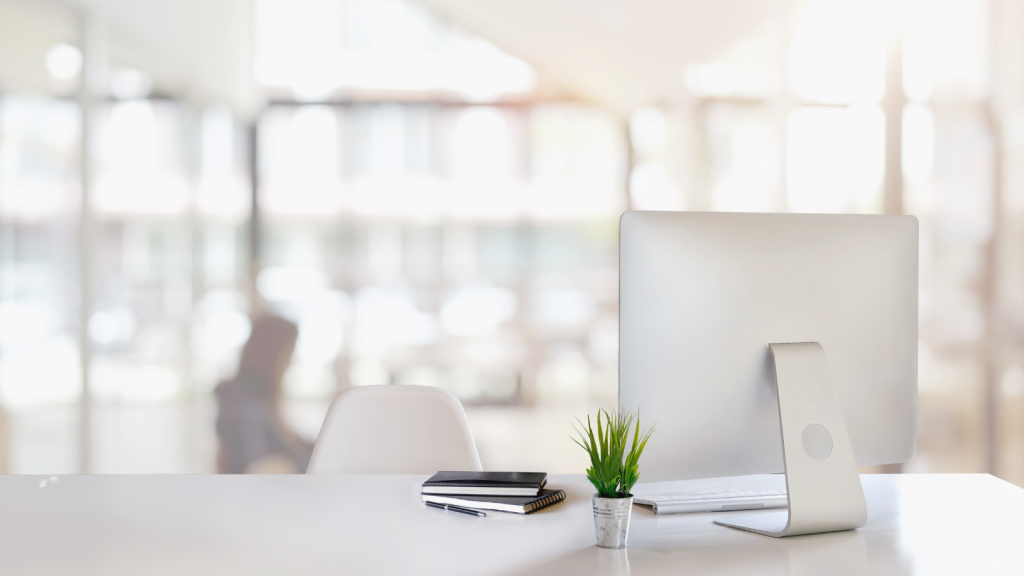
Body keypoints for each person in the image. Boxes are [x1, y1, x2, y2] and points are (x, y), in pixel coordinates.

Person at [215, 315, 313, 474]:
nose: (289, 363)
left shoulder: (260, 397)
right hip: (257, 494)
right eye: (288, 354)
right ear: (272, 353)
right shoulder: (241, 399)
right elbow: (262, 467)